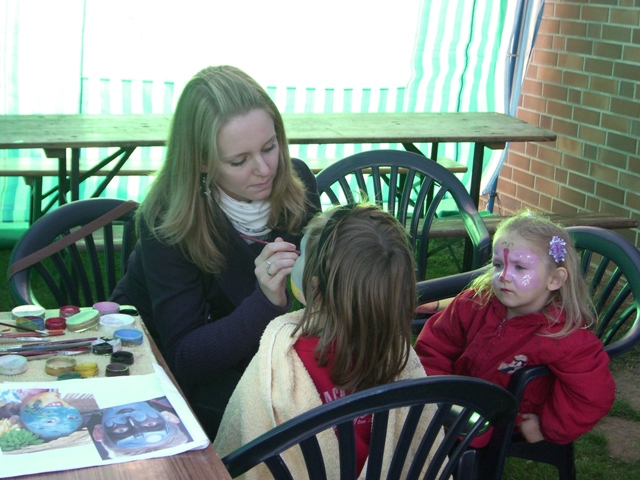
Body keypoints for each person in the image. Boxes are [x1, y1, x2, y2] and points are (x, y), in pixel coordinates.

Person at [109, 65, 321, 439]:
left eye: (269, 147)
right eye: (239, 161)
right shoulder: (167, 221)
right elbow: (185, 360)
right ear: (202, 161)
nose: (264, 169)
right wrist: (265, 302)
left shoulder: (298, 181)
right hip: (168, 390)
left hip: (267, 367)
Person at [214, 204, 441, 479]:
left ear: (315, 288)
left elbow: (239, 445)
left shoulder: (278, 359)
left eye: (301, 253)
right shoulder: (397, 355)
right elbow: (422, 444)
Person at [414, 211, 615, 447]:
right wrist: (438, 392)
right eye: (498, 265)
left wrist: (547, 426)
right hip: (450, 405)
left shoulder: (564, 337)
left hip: (499, 424)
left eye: (519, 267)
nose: (504, 276)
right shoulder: (474, 303)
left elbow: (594, 394)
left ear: (554, 279)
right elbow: (434, 346)